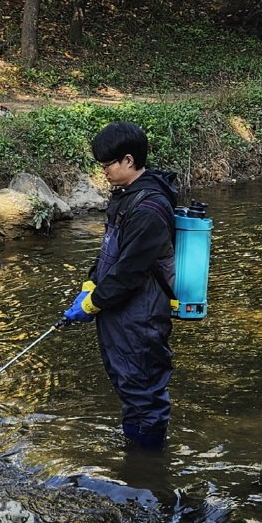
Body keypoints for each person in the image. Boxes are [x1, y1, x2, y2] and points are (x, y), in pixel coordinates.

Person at [63, 121, 179, 449]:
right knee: (127, 385)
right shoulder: (126, 197)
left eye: (107, 165)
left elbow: (129, 271)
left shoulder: (149, 209)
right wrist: (90, 283)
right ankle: (134, 450)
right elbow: (109, 253)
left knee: (144, 392)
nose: (103, 172)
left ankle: (147, 465)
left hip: (141, 316)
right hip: (118, 310)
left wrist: (92, 303)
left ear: (129, 160)